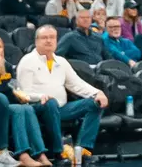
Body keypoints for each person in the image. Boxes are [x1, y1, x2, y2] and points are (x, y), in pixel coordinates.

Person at [15, 25, 107, 161]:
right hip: (36, 108)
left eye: (52, 37)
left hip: (61, 108)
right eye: (44, 38)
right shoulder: (27, 61)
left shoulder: (61, 61)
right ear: (36, 41)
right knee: (51, 103)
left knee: (94, 103)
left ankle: (83, 149)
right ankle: (59, 151)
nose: (48, 41)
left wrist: (97, 92)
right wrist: (41, 96)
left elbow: (76, 84)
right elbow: (23, 92)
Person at [0, 35, 49, 167]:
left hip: (5, 105)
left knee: (27, 107)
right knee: (17, 108)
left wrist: (19, 96)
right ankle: (23, 154)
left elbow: (11, 90)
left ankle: (40, 154)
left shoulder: (7, 67)